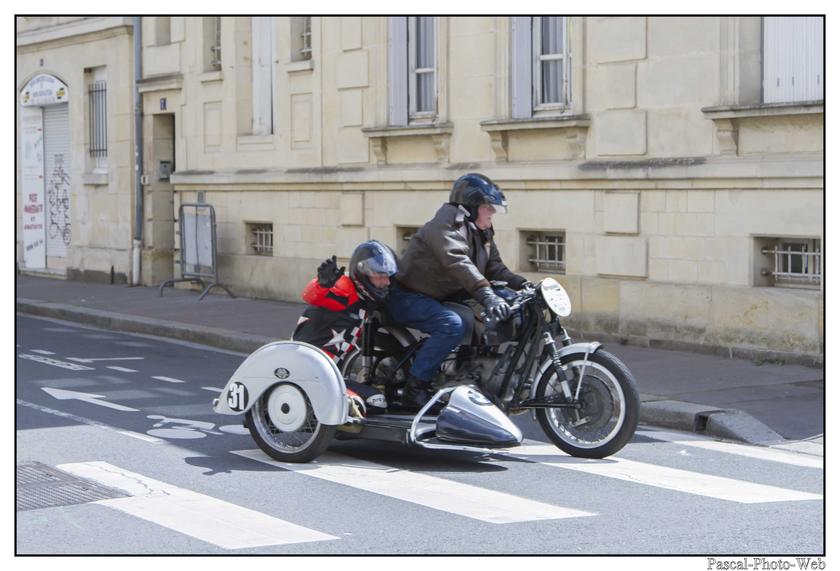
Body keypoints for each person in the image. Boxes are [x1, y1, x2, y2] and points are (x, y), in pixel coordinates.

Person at [385, 173, 530, 409]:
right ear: (471, 207)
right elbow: (458, 262)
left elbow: (495, 267)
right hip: (408, 295)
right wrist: (486, 294)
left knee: (488, 318)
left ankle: (467, 375)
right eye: (487, 207)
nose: (492, 213)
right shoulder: (446, 226)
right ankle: (415, 388)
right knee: (451, 324)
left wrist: (523, 285)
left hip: (439, 295)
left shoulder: (482, 231)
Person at [292, 240, 398, 415]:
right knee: (375, 401)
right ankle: (320, 416)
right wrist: (322, 284)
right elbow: (311, 296)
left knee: (379, 400)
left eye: (387, 276)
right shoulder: (344, 289)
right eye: (380, 276)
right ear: (364, 275)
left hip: (330, 374)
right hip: (311, 373)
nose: (386, 282)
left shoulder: (367, 298)